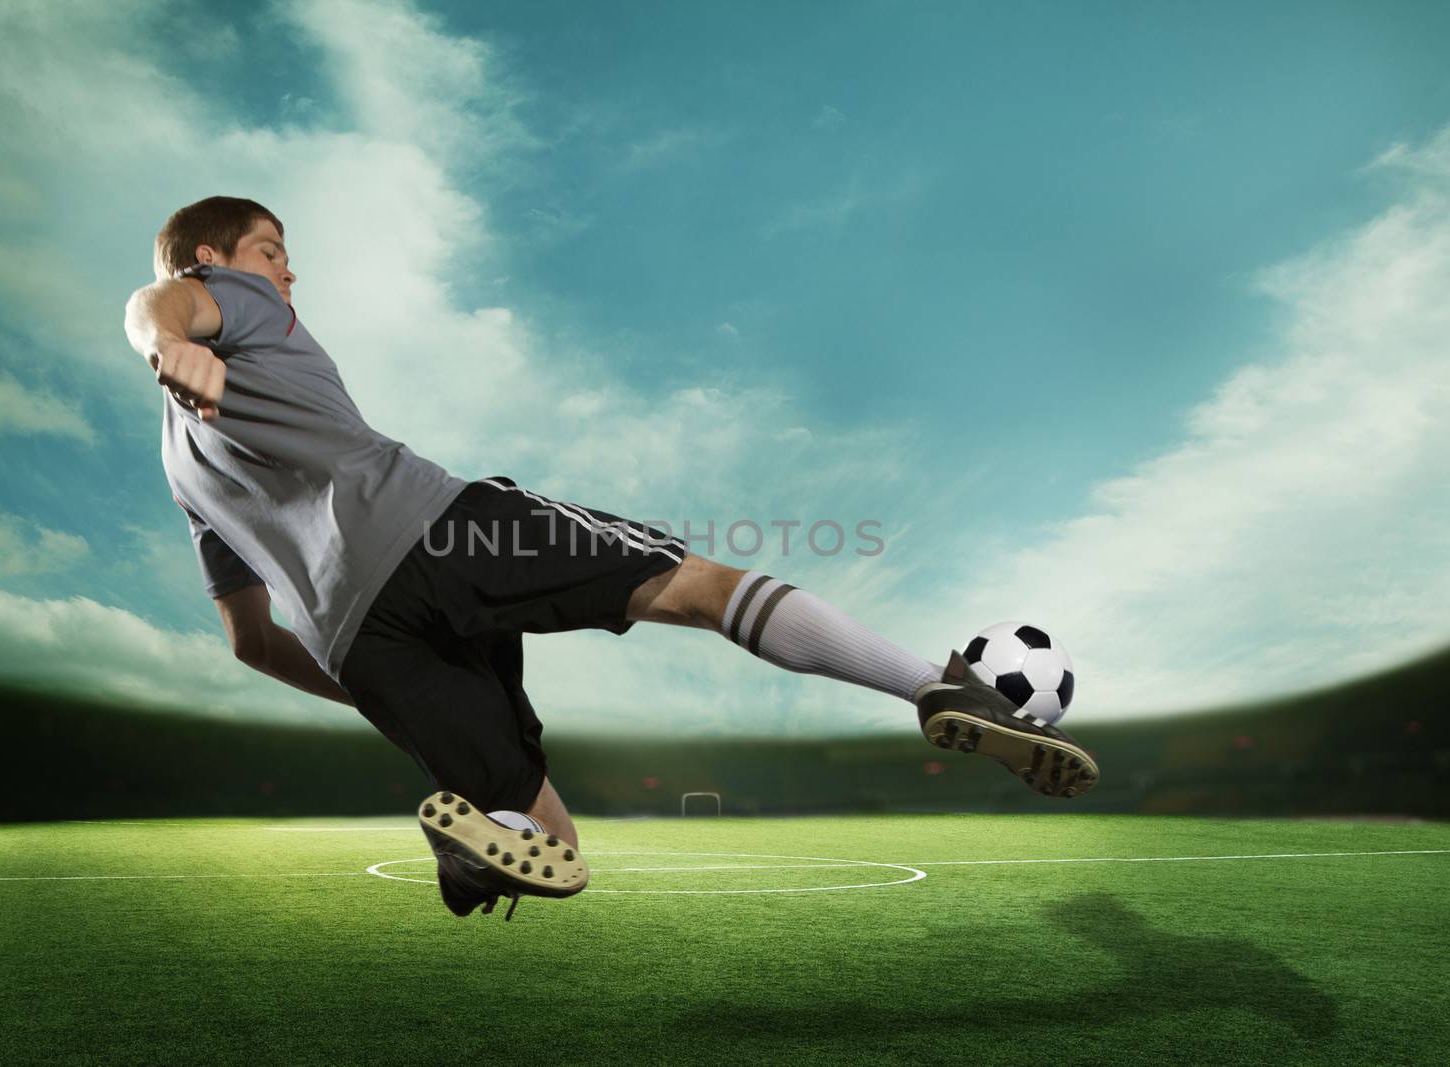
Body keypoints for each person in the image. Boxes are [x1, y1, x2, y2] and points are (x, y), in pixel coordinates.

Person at [123, 196, 1099, 921]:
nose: (287, 276)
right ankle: (936, 685)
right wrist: (173, 341)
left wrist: (372, 690)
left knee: (550, 838)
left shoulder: (180, 467)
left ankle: (471, 860)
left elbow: (250, 641)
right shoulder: (225, 299)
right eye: (272, 252)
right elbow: (152, 308)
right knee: (698, 586)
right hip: (436, 528)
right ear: (213, 258)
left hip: (360, 644)